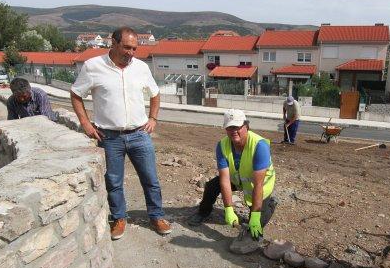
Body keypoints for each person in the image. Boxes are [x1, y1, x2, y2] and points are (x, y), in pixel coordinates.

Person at [70, 27, 172, 240]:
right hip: (109, 137)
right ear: (113, 43)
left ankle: (156, 216)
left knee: (150, 179)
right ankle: (119, 218)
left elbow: (155, 93)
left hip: (139, 134)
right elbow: (76, 94)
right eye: (126, 47)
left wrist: (153, 119)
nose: (131, 52)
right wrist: (86, 124)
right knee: (114, 181)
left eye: (134, 48)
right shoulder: (92, 66)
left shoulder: (141, 68)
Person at [187, 109, 277, 251]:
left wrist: (255, 214)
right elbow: (224, 180)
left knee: (256, 224)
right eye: (229, 127)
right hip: (239, 179)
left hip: (260, 185)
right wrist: (229, 209)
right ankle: (203, 212)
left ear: (246, 126)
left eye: (237, 127)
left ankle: (270, 205)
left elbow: (258, 184)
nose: (233, 131)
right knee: (212, 186)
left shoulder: (260, 146)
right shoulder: (222, 146)